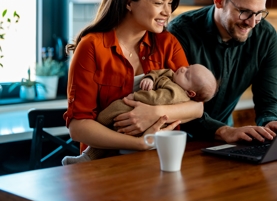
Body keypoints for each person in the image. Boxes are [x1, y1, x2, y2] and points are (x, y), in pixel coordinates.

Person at [63, 0, 204, 162]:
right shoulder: (92, 46)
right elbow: (78, 127)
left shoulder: (168, 43)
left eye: (170, 3)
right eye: (158, 3)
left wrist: (154, 113)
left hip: (161, 161)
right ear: (129, 2)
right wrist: (139, 143)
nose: (167, 12)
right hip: (104, 167)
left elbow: (196, 107)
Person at [167, 0, 277, 143]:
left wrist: (272, 122)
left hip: (226, 140)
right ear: (219, 0)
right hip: (178, 142)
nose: (253, 23)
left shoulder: (266, 37)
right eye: (244, 12)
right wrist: (222, 131)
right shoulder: (180, 33)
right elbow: (172, 103)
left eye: (259, 13)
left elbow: (268, 100)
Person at [62, 64, 217, 165]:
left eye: (187, 74)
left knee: (109, 120)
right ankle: (87, 157)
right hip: (138, 131)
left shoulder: (175, 93)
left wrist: (136, 97)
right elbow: (159, 73)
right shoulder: (173, 76)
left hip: (140, 120)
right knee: (110, 132)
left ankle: (89, 152)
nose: (183, 68)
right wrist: (150, 77)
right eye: (187, 67)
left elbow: (154, 99)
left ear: (190, 93)